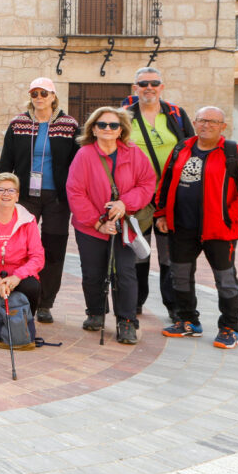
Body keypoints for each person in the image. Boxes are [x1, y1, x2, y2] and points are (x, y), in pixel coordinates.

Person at [156, 107, 238, 349]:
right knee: (179, 276)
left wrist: (230, 217)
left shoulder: (235, 154)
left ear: (223, 126)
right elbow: (167, 181)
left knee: (225, 279)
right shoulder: (182, 148)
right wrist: (161, 213)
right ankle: (188, 321)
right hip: (182, 228)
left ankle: (229, 327)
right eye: (202, 120)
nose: (207, 125)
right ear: (194, 122)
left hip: (219, 231)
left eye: (213, 122)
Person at [66, 106, 157, 345]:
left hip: (123, 224)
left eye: (113, 125)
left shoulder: (134, 153)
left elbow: (147, 183)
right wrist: (98, 224)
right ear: (93, 129)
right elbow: (75, 192)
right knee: (93, 272)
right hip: (90, 226)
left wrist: (124, 204)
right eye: (102, 125)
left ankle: (126, 321)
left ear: (121, 130)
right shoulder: (84, 155)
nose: (108, 129)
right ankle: (95, 311)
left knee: (125, 273)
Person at [0, 77, 79, 324]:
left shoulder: (69, 125)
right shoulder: (18, 123)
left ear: (53, 96)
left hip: (57, 197)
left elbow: (77, 163)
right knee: (22, 249)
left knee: (54, 250)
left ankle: (46, 302)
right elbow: (6, 161)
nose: (39, 97)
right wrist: (4, 192)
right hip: (26, 197)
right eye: (35, 93)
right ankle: (23, 295)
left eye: (44, 93)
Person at [123, 66, 195, 320]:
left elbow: (191, 148)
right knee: (138, 251)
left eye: (154, 83)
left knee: (169, 254)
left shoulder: (175, 114)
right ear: (135, 89)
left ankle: (173, 306)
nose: (149, 88)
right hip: (137, 198)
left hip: (170, 198)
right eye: (143, 84)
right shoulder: (124, 116)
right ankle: (135, 301)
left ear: (162, 87)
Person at [0, 173, 45, 337]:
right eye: (1, 190)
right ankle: (4, 316)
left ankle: (24, 319)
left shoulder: (28, 220)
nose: (6, 194)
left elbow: (37, 257)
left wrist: (16, 277)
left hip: (19, 281)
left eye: (11, 190)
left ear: (17, 196)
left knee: (33, 286)